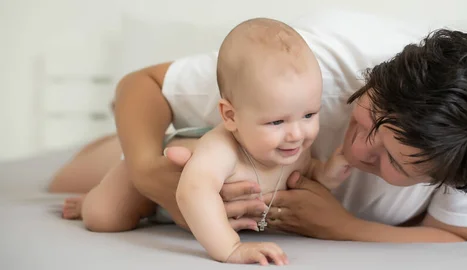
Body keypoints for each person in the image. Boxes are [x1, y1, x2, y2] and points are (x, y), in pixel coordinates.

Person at [50, 11, 467, 245]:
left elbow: (462, 237)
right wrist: (143, 170)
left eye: (393, 161)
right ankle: (111, 150)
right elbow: (144, 85)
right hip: (197, 149)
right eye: (370, 116)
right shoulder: (311, 71)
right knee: (73, 184)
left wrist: (342, 227)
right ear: (378, 77)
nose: (358, 146)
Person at [61, 18, 352, 266]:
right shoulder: (221, 149)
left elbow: (304, 172)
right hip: (153, 182)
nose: (296, 133)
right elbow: (192, 193)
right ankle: (92, 198)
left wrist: (325, 173)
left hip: (188, 215)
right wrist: (231, 248)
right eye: (276, 122)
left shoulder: (293, 146)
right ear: (230, 116)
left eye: (309, 114)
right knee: (105, 218)